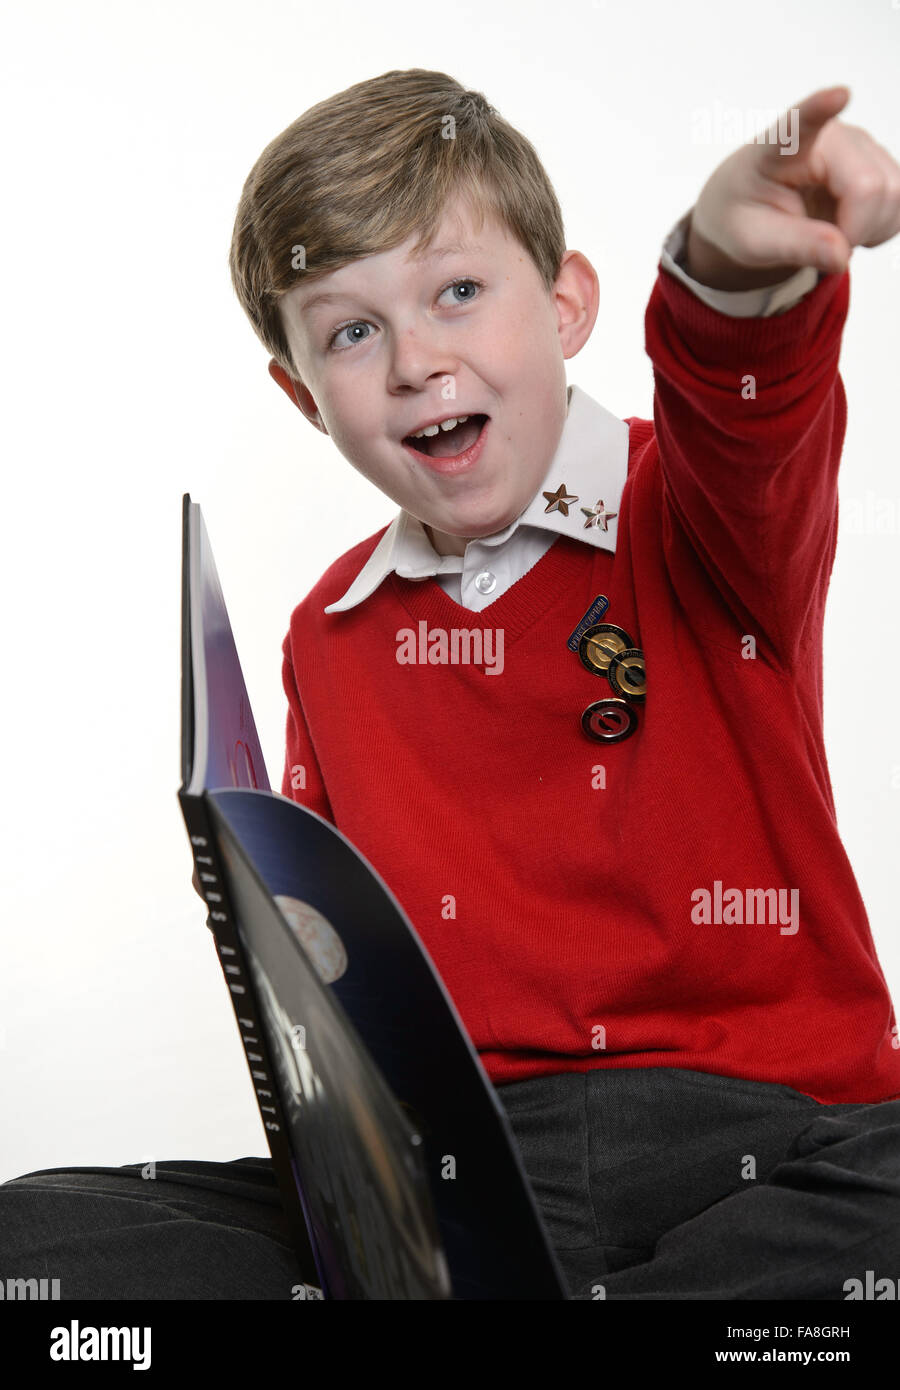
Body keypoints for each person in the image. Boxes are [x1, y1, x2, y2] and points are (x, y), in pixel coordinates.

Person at [3, 70, 899, 1302]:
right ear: (300, 394)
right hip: (461, 1177)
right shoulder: (330, 630)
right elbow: (344, 976)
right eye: (352, 331)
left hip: (759, 1150)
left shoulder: (692, 516)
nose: (418, 360)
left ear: (569, 301)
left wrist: (729, 277)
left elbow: (753, 415)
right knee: (37, 1242)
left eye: (460, 292)